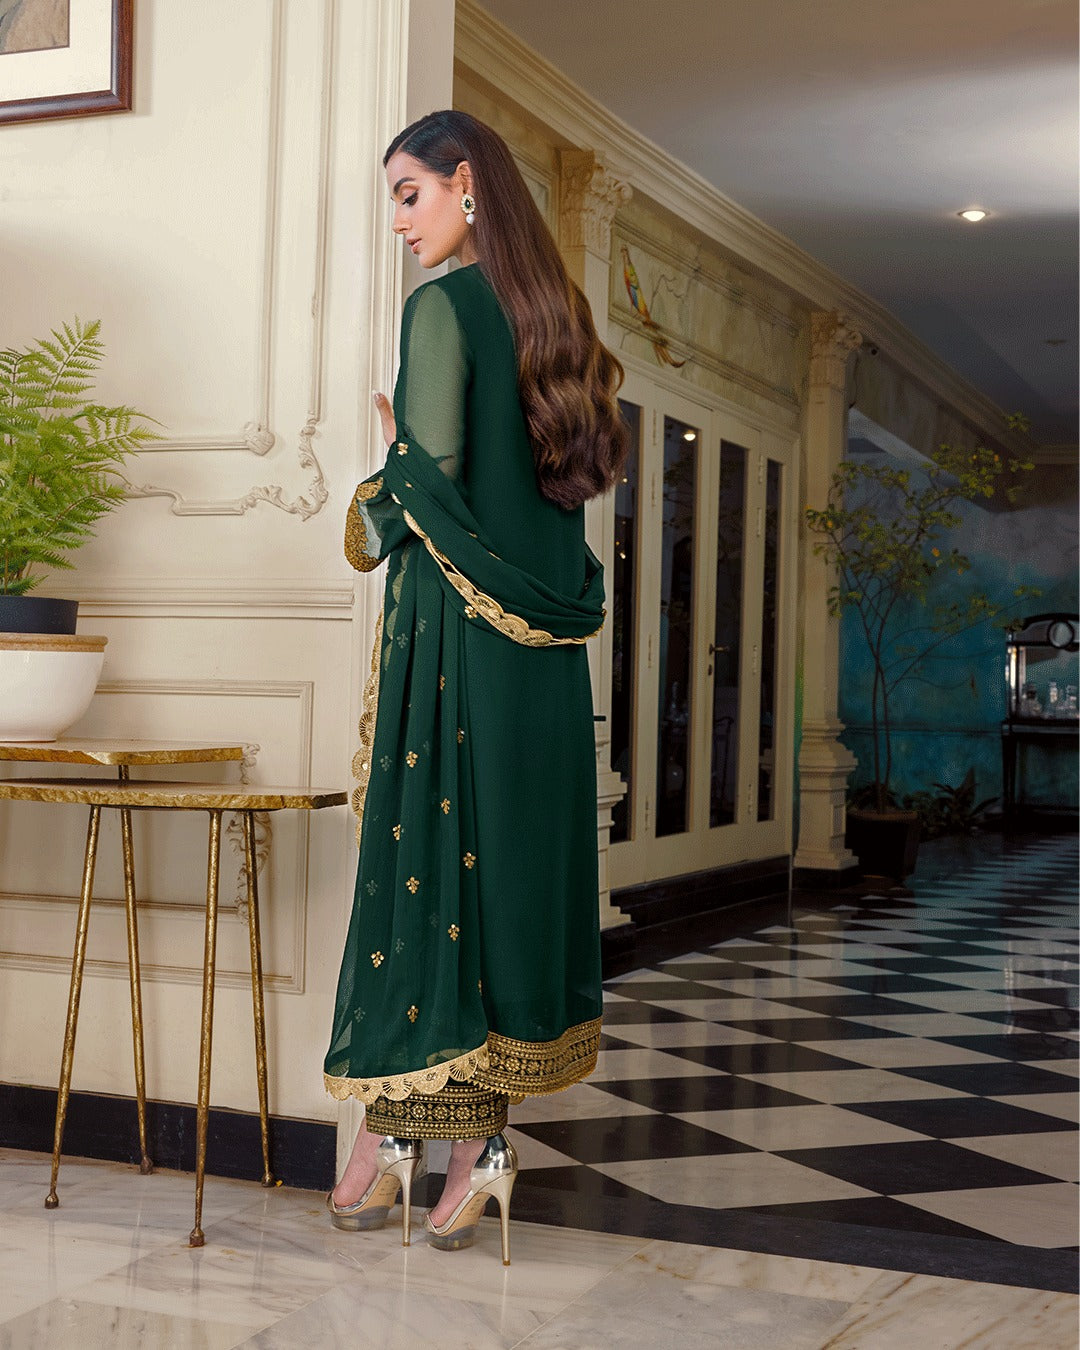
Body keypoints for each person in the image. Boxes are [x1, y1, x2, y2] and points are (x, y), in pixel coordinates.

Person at [323, 109, 628, 1264]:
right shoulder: (559, 323)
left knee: (428, 879)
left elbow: (428, 494)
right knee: (498, 886)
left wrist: (383, 479)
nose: (402, 223)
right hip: (541, 670)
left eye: (410, 195)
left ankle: (400, 1135)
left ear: (466, 186)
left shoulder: (445, 308)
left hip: (456, 648)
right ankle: (471, 1153)